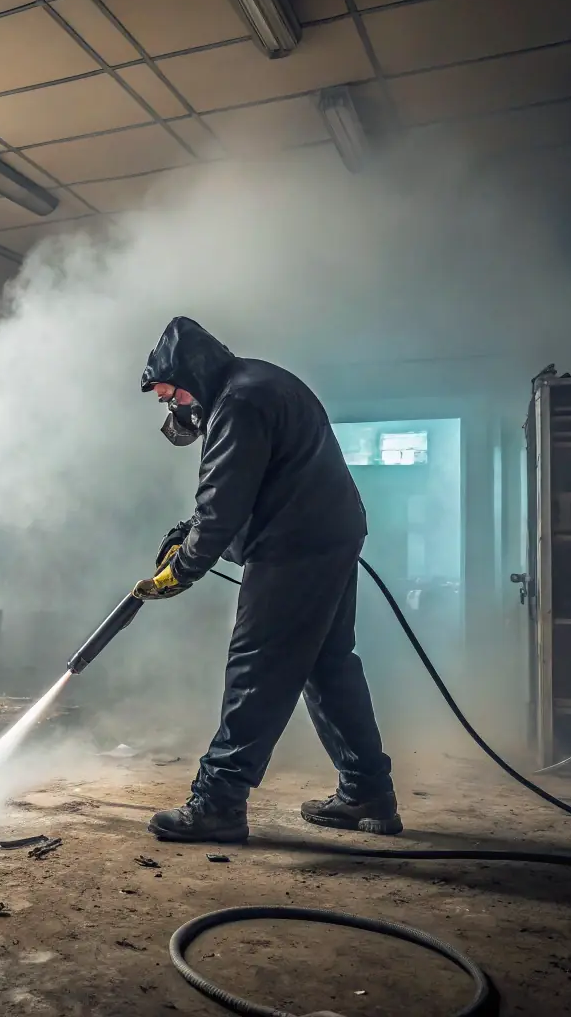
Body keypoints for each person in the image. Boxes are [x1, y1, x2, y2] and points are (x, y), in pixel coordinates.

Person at [136, 316, 400, 844]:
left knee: (257, 666)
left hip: (297, 547)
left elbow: (223, 502)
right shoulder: (251, 385)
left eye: (174, 395)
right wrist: (190, 534)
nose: (176, 409)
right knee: (327, 666)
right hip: (324, 535)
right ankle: (366, 791)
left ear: (194, 374)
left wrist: (183, 567)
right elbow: (249, 485)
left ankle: (218, 803)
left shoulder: (238, 403)